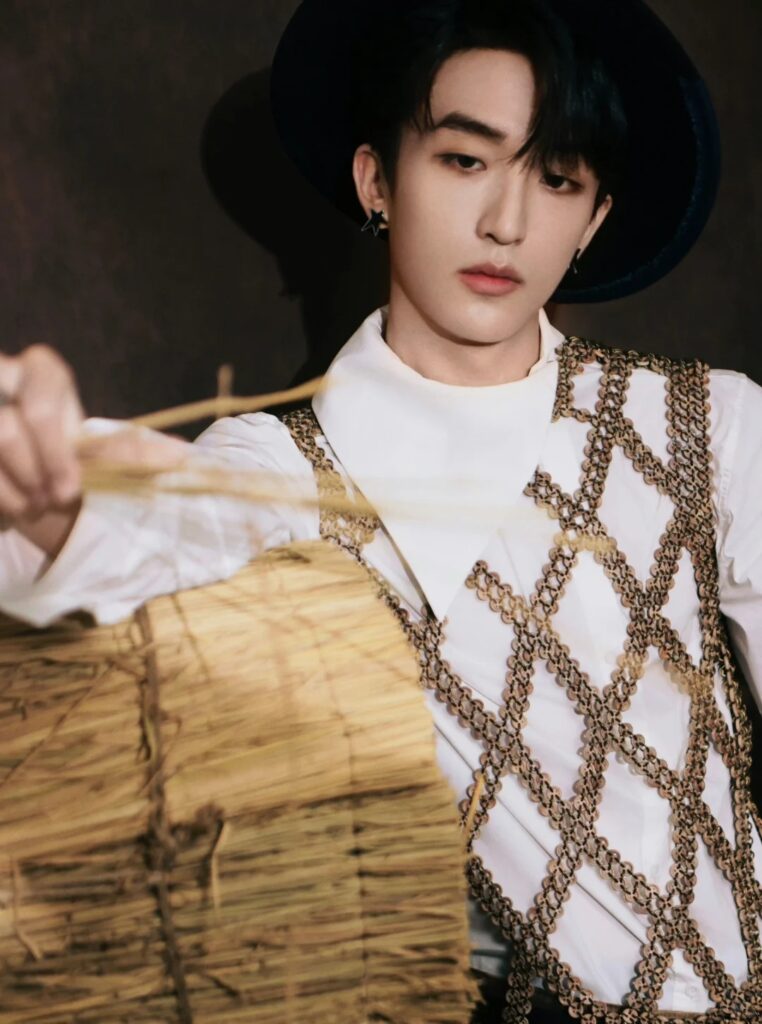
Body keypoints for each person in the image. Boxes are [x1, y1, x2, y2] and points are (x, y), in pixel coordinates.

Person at [0, 0, 760, 1020]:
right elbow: (142, 540)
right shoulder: (284, 472)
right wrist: (50, 496)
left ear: (594, 220)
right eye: (464, 160)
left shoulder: (711, 427)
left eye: (557, 177)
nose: (507, 223)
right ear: (377, 180)